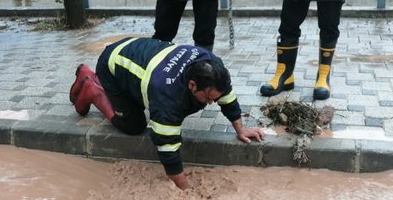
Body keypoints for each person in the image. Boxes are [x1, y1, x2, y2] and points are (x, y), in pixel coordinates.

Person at [69, 38, 265, 190]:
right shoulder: (167, 97)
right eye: (207, 98)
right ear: (191, 85)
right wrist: (185, 188)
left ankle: (120, 91)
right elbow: (167, 147)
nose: (211, 103)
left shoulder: (212, 66)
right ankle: (92, 88)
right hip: (112, 63)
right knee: (134, 124)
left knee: (147, 98)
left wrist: (241, 129)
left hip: (139, 51)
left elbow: (226, 96)